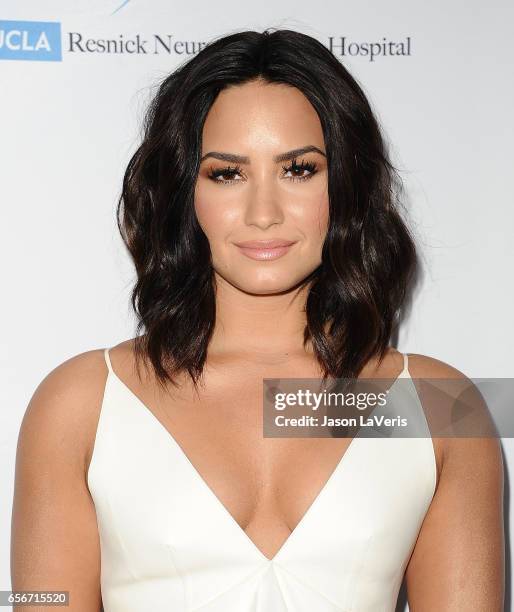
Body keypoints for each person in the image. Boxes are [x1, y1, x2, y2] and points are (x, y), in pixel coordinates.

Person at [11, 28, 504, 611]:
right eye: (227, 173)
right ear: (183, 191)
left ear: (345, 183)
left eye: (298, 170)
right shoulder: (82, 403)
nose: (264, 213)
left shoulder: (439, 408)